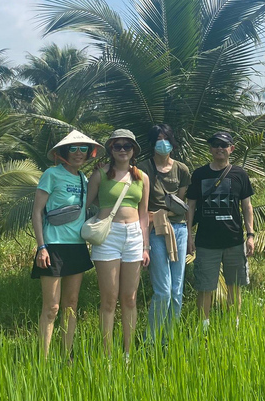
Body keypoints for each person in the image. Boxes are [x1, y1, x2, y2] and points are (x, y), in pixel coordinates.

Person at [31, 130, 103, 358]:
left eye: (83, 149)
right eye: (73, 148)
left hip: (77, 246)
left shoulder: (83, 178)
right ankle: (43, 359)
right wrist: (41, 247)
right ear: (64, 152)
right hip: (53, 246)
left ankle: (66, 355)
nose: (78, 153)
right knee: (51, 307)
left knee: (71, 304)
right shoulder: (51, 174)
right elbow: (37, 212)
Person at [85, 129, 150, 359]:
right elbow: (86, 203)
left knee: (130, 298)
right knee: (109, 299)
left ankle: (128, 353)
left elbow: (143, 214)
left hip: (133, 236)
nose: (122, 150)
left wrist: (145, 246)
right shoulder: (100, 175)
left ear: (134, 150)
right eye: (117, 146)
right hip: (108, 236)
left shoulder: (142, 177)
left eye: (127, 146)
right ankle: (107, 354)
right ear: (111, 149)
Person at [186, 131, 254, 331]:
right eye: (215, 145)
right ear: (210, 149)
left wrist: (250, 235)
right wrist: (189, 235)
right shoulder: (199, 174)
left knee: (234, 285)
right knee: (205, 287)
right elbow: (190, 206)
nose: (219, 148)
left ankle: (233, 326)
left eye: (224, 145)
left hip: (234, 239)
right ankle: (203, 328)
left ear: (231, 149)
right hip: (206, 241)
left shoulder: (240, 174)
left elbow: (247, 206)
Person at [138, 124, 191, 343]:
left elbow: (180, 204)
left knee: (177, 289)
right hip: (155, 230)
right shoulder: (142, 169)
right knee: (163, 290)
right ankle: (150, 341)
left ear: (172, 142)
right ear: (152, 143)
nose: (163, 143)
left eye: (166, 139)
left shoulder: (182, 169)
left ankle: (169, 339)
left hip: (179, 229)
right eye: (158, 139)